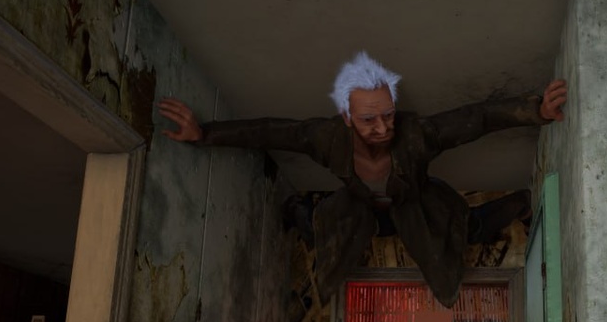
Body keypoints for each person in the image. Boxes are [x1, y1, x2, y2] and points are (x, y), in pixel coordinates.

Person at [157, 51, 568, 307]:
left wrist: (536, 111)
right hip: (360, 208)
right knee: (322, 232)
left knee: (466, 230)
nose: (382, 128)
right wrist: (204, 134)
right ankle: (297, 209)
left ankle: (521, 202)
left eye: (388, 115)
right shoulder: (324, 138)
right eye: (369, 119)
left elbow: (475, 118)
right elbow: (268, 131)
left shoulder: (417, 135)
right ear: (347, 117)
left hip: (415, 205)